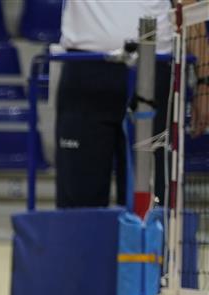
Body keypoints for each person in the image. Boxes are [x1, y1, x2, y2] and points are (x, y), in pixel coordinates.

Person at [55, 0, 183, 209]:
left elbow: (188, 7)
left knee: (150, 204)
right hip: (86, 67)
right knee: (80, 200)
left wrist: (203, 82)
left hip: (154, 67)